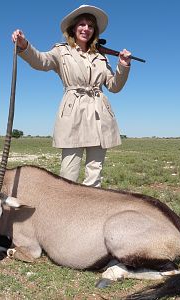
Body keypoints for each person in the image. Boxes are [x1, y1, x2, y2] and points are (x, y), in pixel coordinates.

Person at [12, 5, 131, 187]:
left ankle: (90, 212)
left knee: (95, 174)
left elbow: (114, 86)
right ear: (73, 28)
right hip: (73, 113)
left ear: (94, 31)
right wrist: (24, 46)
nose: (86, 29)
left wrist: (122, 66)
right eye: (82, 24)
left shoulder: (101, 57)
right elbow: (41, 61)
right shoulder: (61, 51)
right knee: (68, 175)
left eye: (90, 26)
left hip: (100, 116)